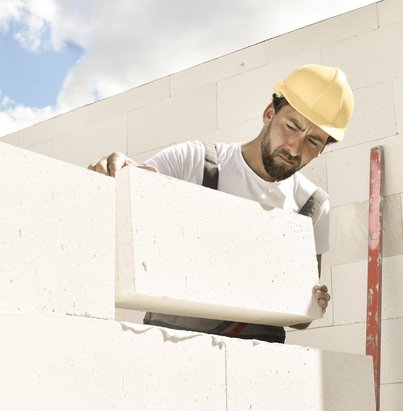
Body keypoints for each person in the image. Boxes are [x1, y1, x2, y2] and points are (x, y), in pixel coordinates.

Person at [89, 64, 354, 343]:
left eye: (312, 141)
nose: (294, 148)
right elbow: (137, 188)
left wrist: (312, 303)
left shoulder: (312, 205)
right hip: (171, 344)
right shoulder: (195, 161)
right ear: (269, 113)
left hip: (253, 353)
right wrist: (118, 173)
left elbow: (300, 317)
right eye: (291, 127)